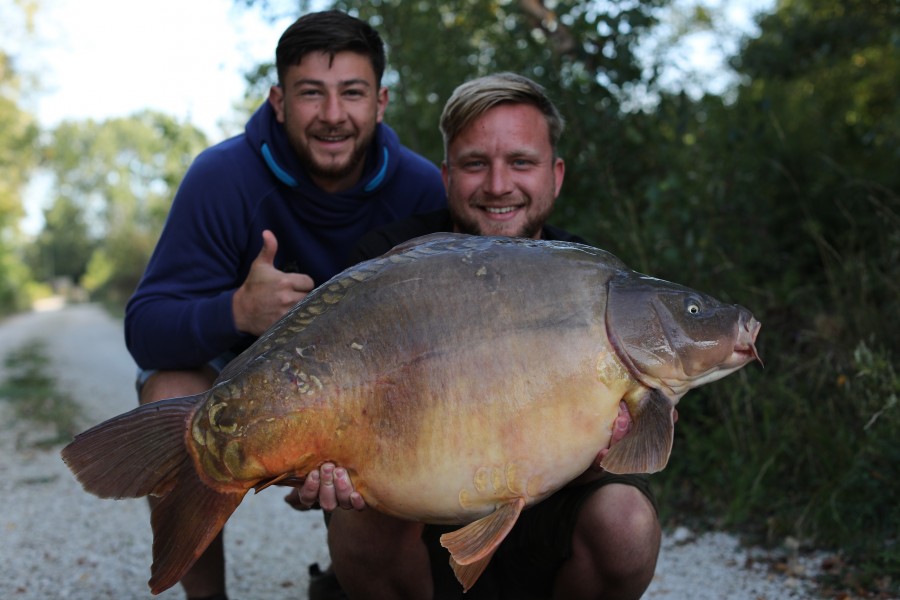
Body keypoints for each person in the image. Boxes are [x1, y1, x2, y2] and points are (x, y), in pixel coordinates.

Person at [123, 10, 445, 600]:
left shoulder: (421, 187)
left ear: (381, 102)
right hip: (247, 389)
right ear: (277, 100)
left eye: (352, 93)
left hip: (371, 397)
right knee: (171, 390)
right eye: (309, 94)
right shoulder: (222, 177)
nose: (332, 115)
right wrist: (236, 313)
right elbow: (144, 328)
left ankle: (360, 574)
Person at [303, 72, 662, 600]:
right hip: (420, 510)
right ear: (446, 175)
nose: (498, 185)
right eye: (476, 164)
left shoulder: (593, 280)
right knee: (360, 523)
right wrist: (313, 465)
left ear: (555, 175)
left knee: (627, 523)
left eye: (521, 162)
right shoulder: (384, 263)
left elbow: (631, 439)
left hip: (543, 512)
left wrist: (624, 440)